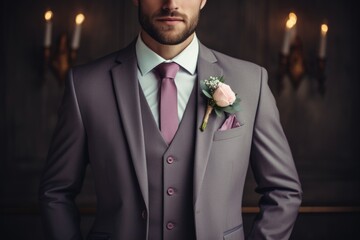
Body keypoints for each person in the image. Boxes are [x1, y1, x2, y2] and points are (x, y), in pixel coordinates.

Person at [39, 0, 302, 239]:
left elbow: (283, 191)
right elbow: (56, 193)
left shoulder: (250, 81)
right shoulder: (85, 85)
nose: (171, 4)